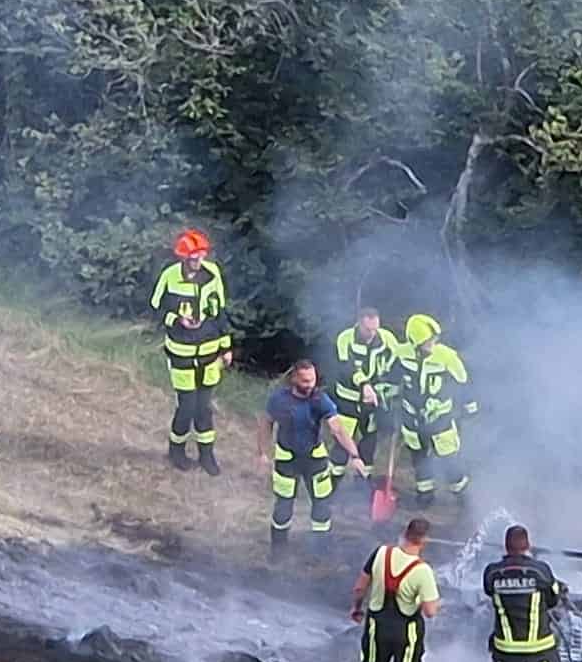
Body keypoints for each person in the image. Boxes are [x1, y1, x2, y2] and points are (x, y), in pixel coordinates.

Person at [255, 360, 364, 554]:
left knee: (322, 503)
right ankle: (278, 551)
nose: (310, 385)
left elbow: (337, 429)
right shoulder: (279, 399)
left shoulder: (320, 399)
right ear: (294, 379)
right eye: (305, 381)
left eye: (312, 380)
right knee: (283, 506)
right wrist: (263, 453)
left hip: (315, 458)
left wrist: (354, 455)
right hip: (287, 459)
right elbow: (266, 424)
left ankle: (319, 550)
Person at [482, 524, 575, 662]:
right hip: (539, 648)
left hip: (505, 649)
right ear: (528, 546)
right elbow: (553, 598)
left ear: (505, 547)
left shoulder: (492, 573)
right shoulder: (540, 571)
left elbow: (488, 591)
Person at [148, 229, 231, 474]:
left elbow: (220, 312)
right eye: (194, 257)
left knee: (204, 407)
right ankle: (176, 451)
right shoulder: (169, 277)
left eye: (201, 255)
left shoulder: (212, 273)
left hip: (210, 352)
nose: (198, 261)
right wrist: (176, 320)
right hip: (181, 353)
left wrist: (226, 346)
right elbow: (155, 310)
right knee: (187, 407)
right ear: (183, 257)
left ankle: (207, 456)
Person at [348, 516, 440, 662]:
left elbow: (360, 586)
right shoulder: (423, 571)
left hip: (376, 626)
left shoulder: (381, 553)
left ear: (405, 534)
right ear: (424, 540)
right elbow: (430, 611)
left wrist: (356, 608)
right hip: (406, 632)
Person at [394, 312, 477, 506]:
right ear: (415, 342)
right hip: (411, 418)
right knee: (419, 456)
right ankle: (425, 493)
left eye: (433, 339)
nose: (431, 344)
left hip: (440, 418)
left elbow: (463, 382)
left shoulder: (447, 357)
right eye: (427, 341)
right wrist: (387, 399)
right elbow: (391, 377)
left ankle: (461, 494)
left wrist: (469, 407)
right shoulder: (401, 353)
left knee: (449, 459)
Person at [328, 307, 401, 486]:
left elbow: (396, 365)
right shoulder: (345, 339)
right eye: (368, 329)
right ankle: (331, 484)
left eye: (375, 329)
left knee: (369, 442)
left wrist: (389, 390)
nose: (372, 333)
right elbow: (347, 367)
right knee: (342, 443)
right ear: (359, 322)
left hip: (373, 403)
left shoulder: (387, 339)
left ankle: (361, 483)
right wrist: (364, 385)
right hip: (348, 401)